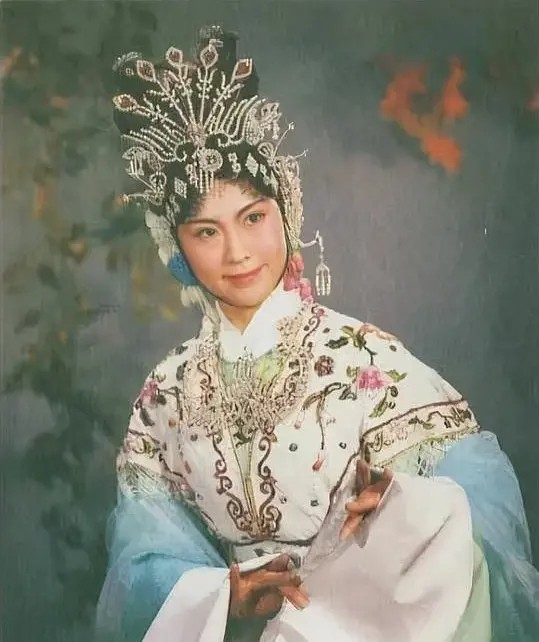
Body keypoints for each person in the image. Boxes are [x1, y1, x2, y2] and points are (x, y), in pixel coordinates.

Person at [95, 26, 539, 642]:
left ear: (287, 212)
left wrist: (407, 507)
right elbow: (144, 559)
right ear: (176, 248)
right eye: (206, 231)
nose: (237, 252)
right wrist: (223, 594)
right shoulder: (166, 393)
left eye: (253, 218)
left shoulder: (363, 358)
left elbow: (475, 496)